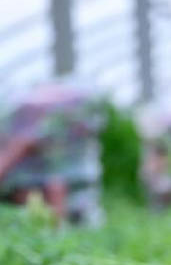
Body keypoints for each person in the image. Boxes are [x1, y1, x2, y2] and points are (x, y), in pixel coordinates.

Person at [0, 82, 105, 226]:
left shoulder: (59, 151)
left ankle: (54, 230)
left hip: (65, 203)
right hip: (30, 197)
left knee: (53, 187)